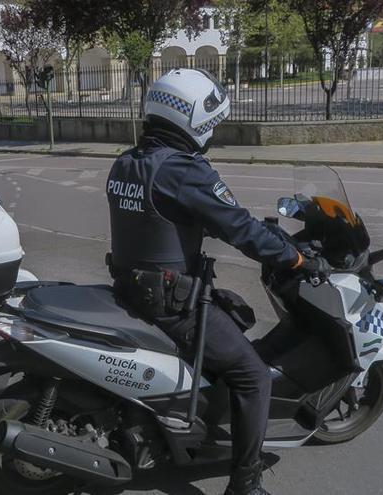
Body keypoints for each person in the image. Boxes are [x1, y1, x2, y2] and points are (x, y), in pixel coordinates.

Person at [105, 69, 328, 495]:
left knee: (233, 320)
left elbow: (160, 221)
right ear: (193, 118)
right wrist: (295, 256)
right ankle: (245, 484)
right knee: (252, 375)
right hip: (172, 303)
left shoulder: (127, 162)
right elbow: (239, 228)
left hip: (131, 288)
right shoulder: (184, 172)